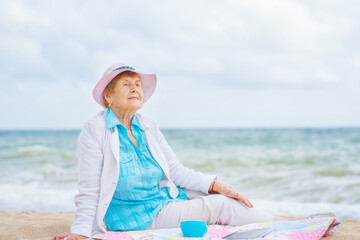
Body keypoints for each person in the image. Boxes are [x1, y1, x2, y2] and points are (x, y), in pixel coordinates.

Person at [52, 63, 301, 240]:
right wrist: (81, 231)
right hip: (136, 215)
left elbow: (175, 171)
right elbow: (89, 188)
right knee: (218, 207)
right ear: (108, 95)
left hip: (163, 198)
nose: (135, 89)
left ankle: (271, 219)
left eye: (138, 84)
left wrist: (215, 184)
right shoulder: (95, 130)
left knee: (220, 195)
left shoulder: (146, 125)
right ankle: (281, 225)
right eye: (126, 85)